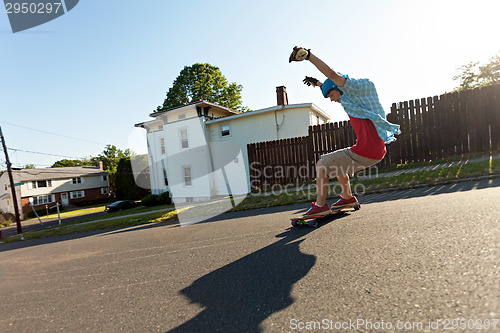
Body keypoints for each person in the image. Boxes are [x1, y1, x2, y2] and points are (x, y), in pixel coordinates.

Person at [289, 46, 401, 218]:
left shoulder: (355, 89)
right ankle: (348, 198)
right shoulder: (350, 100)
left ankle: (320, 206)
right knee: (337, 162)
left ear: (339, 88)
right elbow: (332, 84)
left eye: (331, 96)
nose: (333, 100)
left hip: (367, 150)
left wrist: (309, 56)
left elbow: (333, 76)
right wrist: (319, 84)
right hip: (374, 151)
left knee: (321, 165)